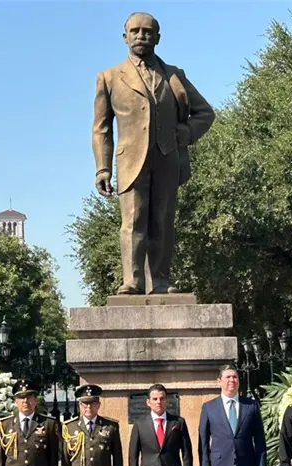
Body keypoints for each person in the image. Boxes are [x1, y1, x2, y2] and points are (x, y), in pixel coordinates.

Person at [92, 11, 214, 295]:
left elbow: (205, 113)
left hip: (167, 158)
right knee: (133, 221)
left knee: (162, 221)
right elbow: (101, 129)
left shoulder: (174, 75)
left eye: (147, 31)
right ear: (125, 37)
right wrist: (103, 168)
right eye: (135, 31)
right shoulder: (109, 78)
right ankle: (132, 281)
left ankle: (160, 281)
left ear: (157, 37)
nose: (141, 36)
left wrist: (186, 133)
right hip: (130, 160)